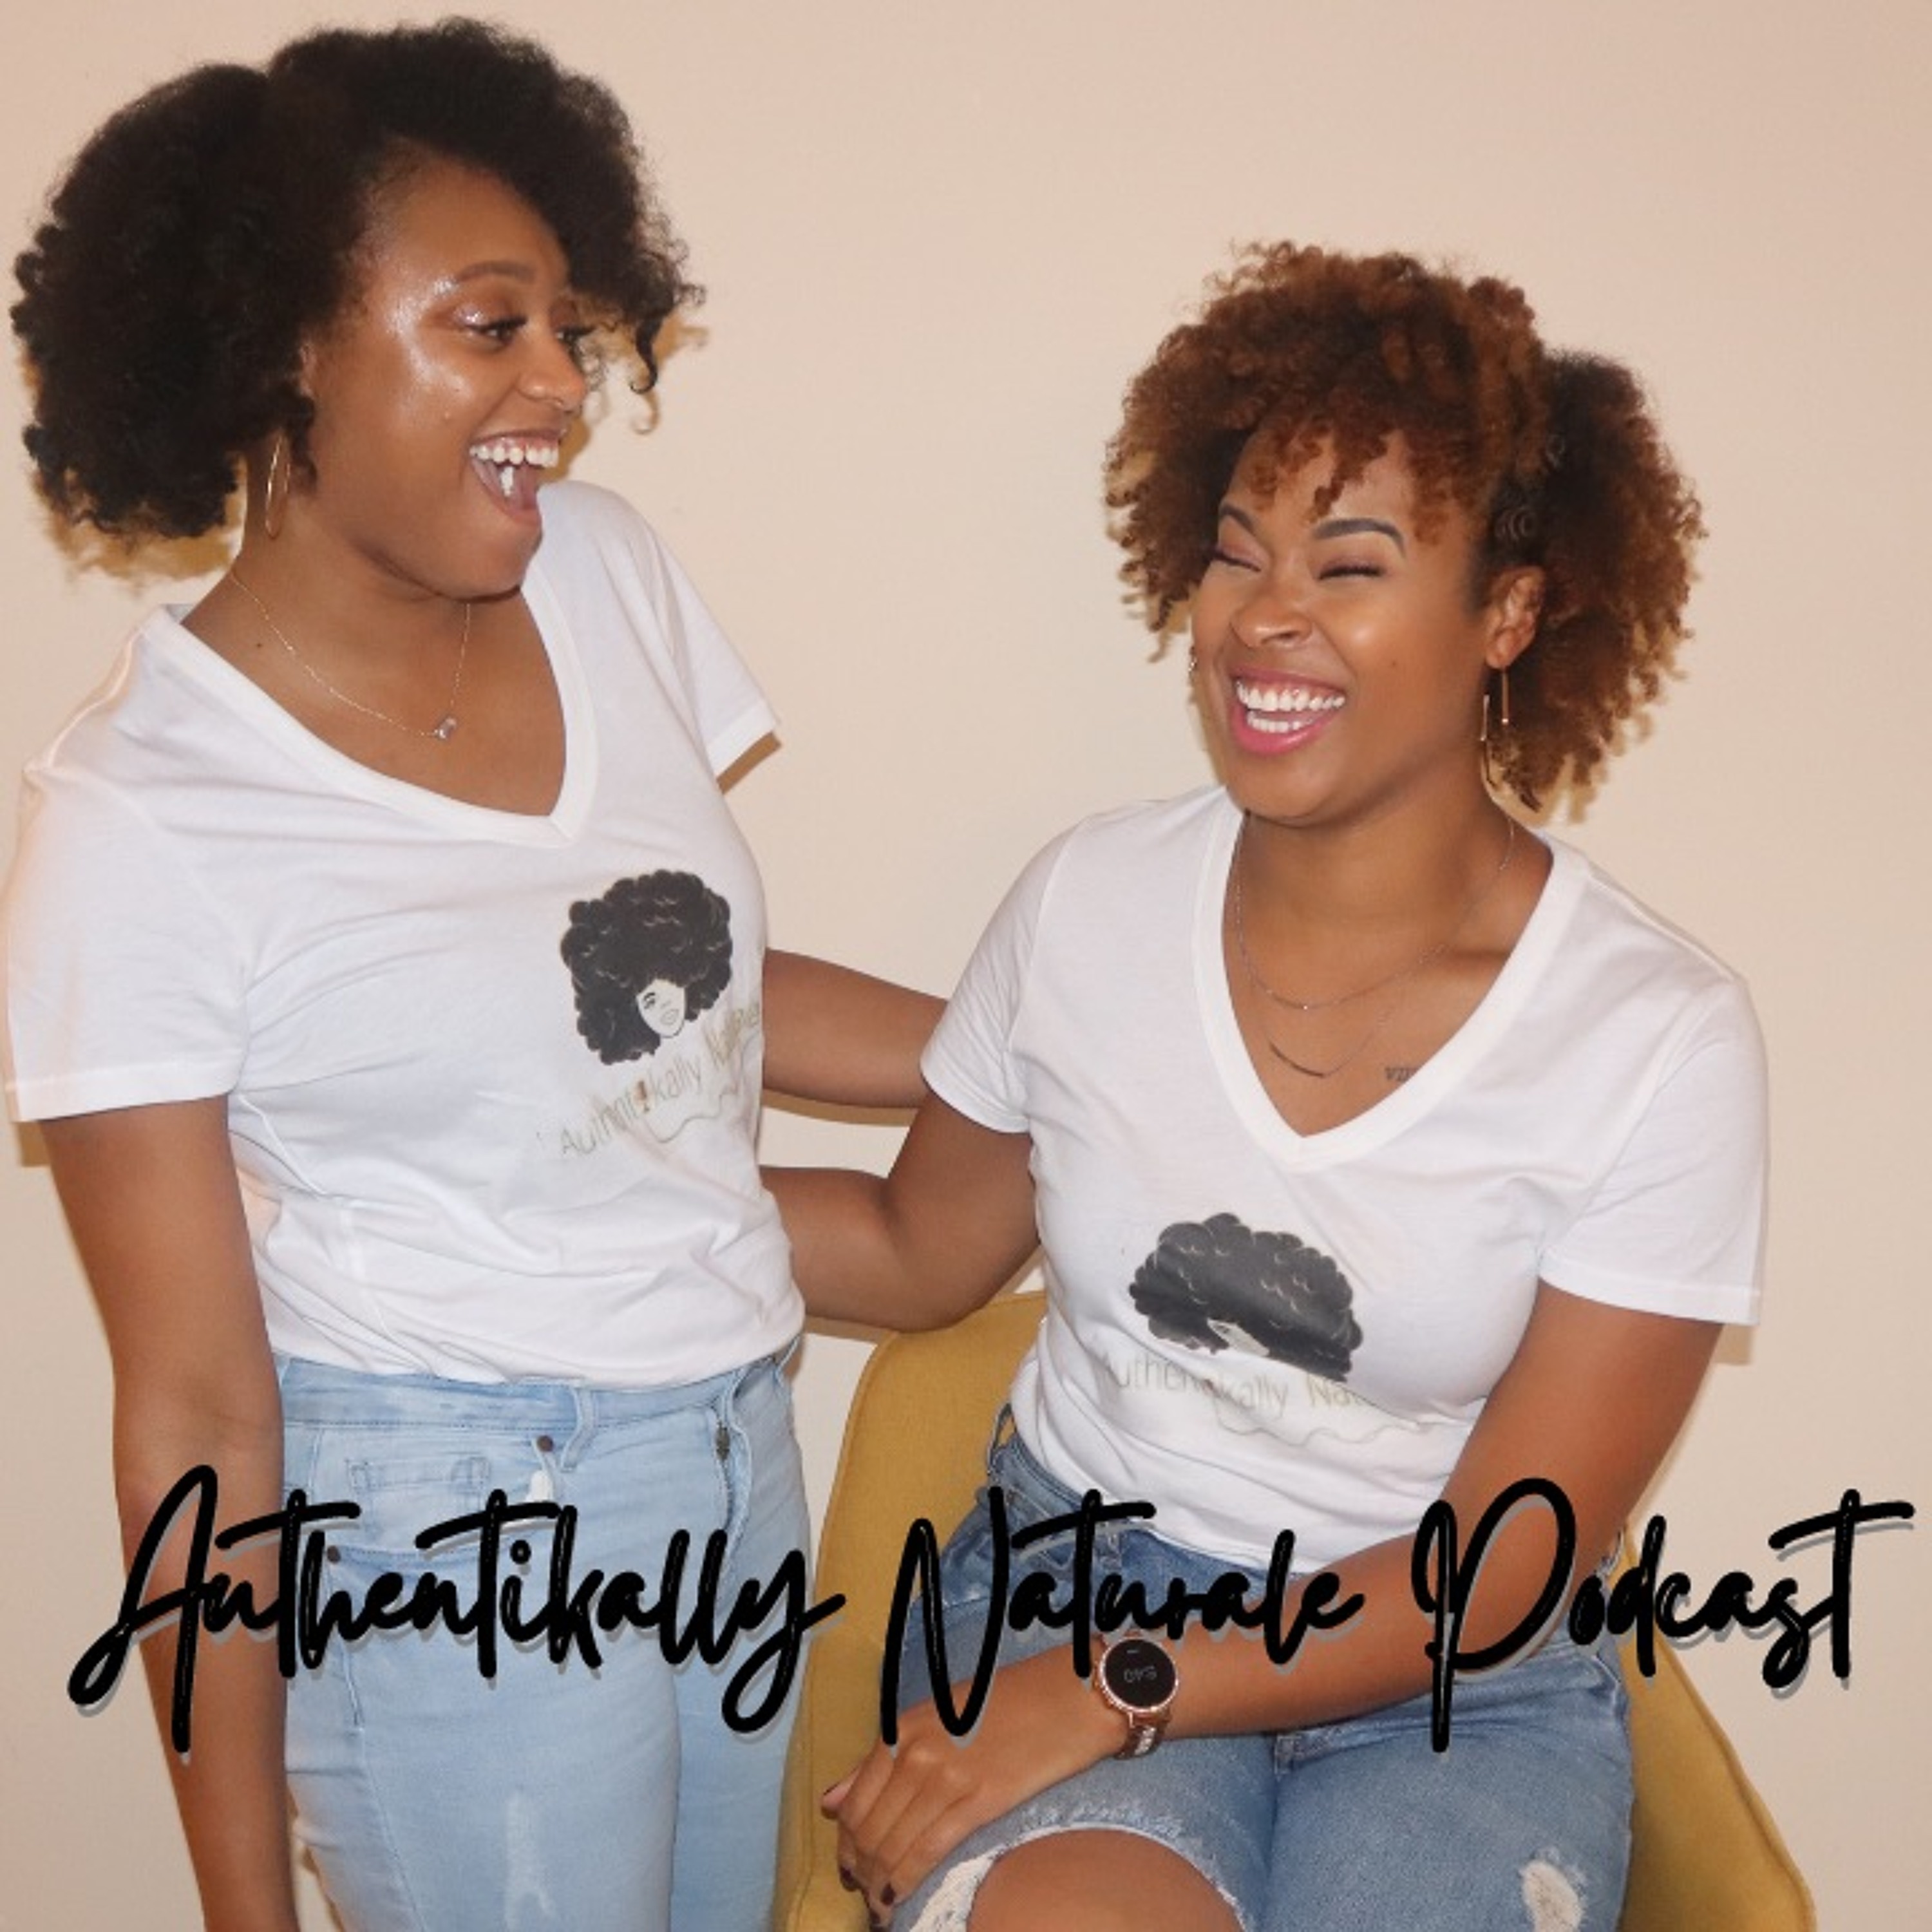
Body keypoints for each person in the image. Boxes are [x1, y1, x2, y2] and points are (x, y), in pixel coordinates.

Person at [3, 21, 935, 1932]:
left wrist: (1046, 1048)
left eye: (567, 331)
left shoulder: (603, 572)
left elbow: (703, 989)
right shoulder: (143, 810)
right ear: (286, 350)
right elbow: (193, 1418)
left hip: (732, 1453)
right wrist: (245, 1910)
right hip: (444, 1517)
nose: (561, 388)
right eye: (489, 325)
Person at [772, 243, 1765, 1932]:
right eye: (1238, 552)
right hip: (1077, 1586)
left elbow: (1499, 1567)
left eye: (1349, 564)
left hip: (1449, 1677)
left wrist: (1120, 1692)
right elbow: (912, 1246)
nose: (1264, 615)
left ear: (1508, 613)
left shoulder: (1655, 1036)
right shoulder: (1089, 904)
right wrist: (555, 1184)